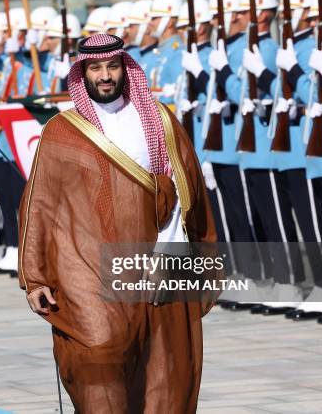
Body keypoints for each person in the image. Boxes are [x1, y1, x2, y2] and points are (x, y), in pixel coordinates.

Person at [18, 34, 216, 413]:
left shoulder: (158, 121)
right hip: (88, 273)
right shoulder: (63, 132)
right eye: (95, 68)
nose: (105, 76)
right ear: (83, 74)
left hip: (156, 265)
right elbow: (38, 206)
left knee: (164, 377)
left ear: (126, 69)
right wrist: (35, 277)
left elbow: (180, 194)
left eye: (112, 66)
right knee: (97, 366)